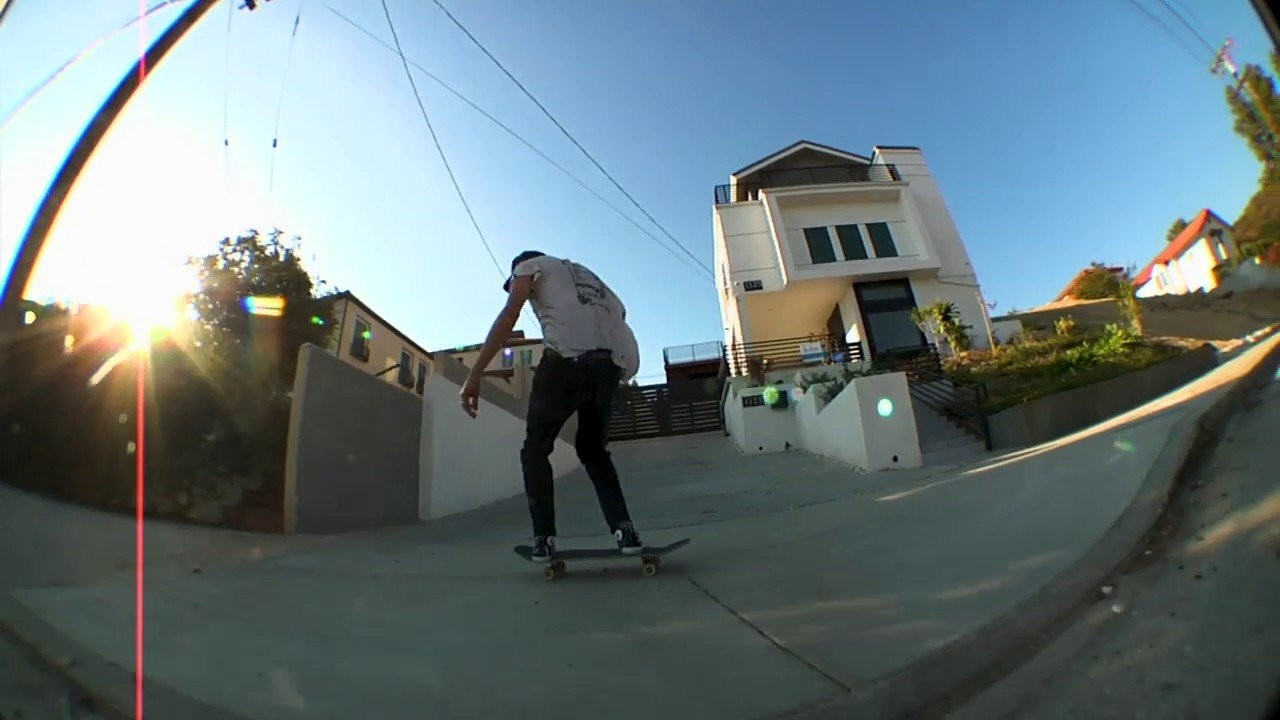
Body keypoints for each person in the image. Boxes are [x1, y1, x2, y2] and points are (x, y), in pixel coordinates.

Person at [459, 250, 643, 562]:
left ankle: (544, 538)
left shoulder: (530, 266)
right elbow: (620, 314)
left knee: (535, 450)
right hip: (608, 366)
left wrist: (474, 375)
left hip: (565, 364)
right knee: (594, 450)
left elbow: (509, 315)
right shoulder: (587, 275)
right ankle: (625, 530)